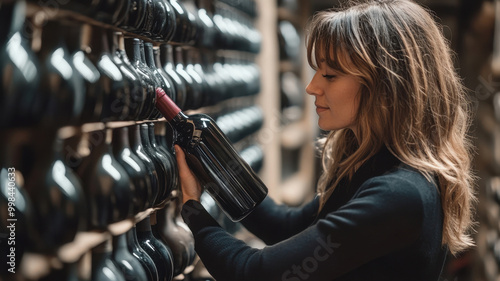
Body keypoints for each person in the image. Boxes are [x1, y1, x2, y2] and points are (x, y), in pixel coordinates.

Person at [173, 0, 477, 280]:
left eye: (330, 75)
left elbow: (255, 273)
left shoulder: (399, 194)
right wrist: (215, 163)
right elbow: (285, 227)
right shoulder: (372, 165)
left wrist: (193, 211)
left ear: (385, 86)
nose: (311, 87)